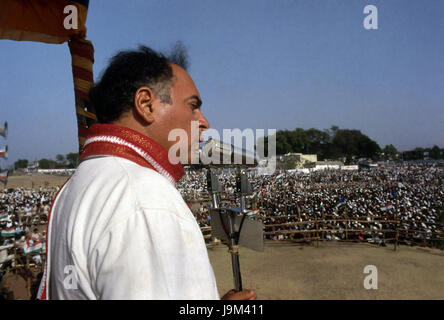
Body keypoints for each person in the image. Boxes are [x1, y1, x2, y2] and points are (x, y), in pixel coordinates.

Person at [38, 45, 256, 300]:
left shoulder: (80, 182)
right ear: (145, 104)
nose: (205, 121)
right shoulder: (147, 196)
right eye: (193, 106)